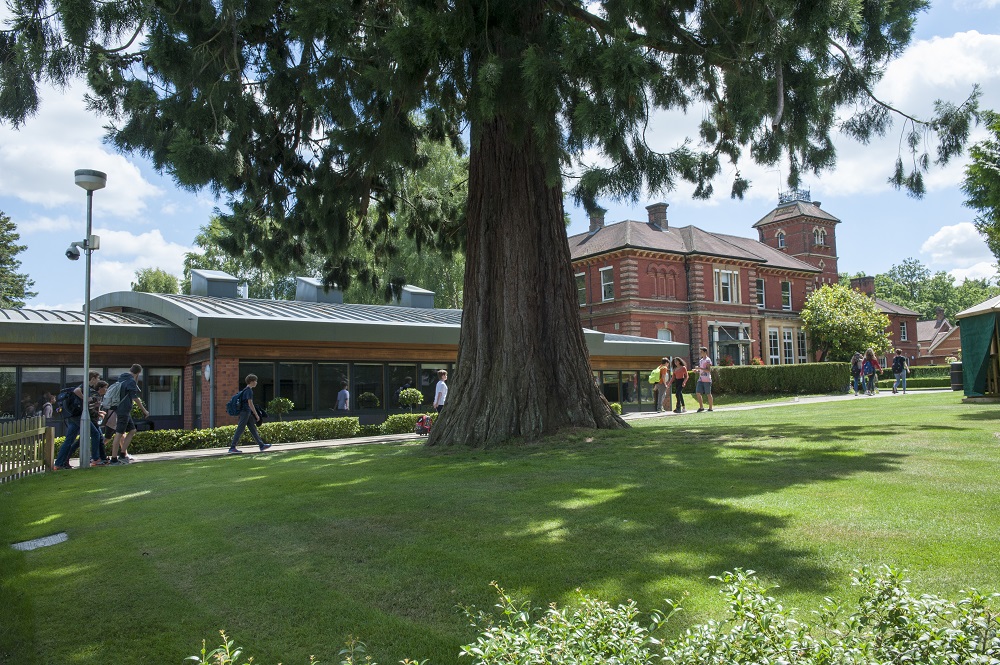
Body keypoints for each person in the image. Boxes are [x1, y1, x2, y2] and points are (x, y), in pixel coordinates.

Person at [54, 371, 102, 470]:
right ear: (92, 378)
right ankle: (95, 459)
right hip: (78, 416)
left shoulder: (87, 388)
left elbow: (84, 403)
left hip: (73, 415)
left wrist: (93, 405)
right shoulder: (85, 386)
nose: (99, 380)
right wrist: (86, 398)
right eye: (98, 378)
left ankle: (59, 463)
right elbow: (76, 391)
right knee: (95, 434)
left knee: (70, 440)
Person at [109, 364, 149, 464]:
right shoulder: (130, 381)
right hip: (124, 411)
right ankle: (114, 459)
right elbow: (135, 398)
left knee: (132, 430)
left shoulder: (121, 378)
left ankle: (123, 454)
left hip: (121, 410)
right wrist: (144, 410)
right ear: (138, 373)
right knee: (118, 434)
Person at [228, 373, 271, 454]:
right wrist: (256, 414)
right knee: (240, 429)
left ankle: (261, 445)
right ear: (251, 382)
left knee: (253, 428)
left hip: (246, 412)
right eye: (255, 381)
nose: (256, 383)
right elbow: (250, 403)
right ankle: (232, 447)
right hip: (245, 412)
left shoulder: (245, 390)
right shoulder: (249, 391)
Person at [695, 347, 714, 412]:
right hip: (701, 379)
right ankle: (701, 407)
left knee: (708, 393)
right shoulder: (701, 360)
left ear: (705, 352)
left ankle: (710, 408)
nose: (701, 353)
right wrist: (697, 371)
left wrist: (700, 368)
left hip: (707, 379)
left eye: (702, 352)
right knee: (697, 392)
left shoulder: (708, 360)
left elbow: (708, 370)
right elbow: (701, 370)